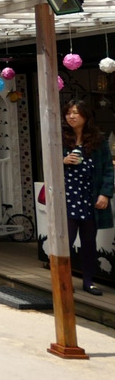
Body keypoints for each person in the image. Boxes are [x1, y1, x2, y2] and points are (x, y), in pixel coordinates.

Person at [60, 98, 113, 295]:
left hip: (89, 195)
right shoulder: (61, 138)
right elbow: (47, 163)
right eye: (68, 113)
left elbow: (108, 169)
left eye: (75, 112)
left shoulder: (98, 139)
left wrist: (105, 194)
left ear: (85, 116)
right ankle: (64, 280)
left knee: (89, 240)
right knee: (66, 239)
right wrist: (63, 160)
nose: (71, 116)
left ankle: (88, 281)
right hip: (67, 197)